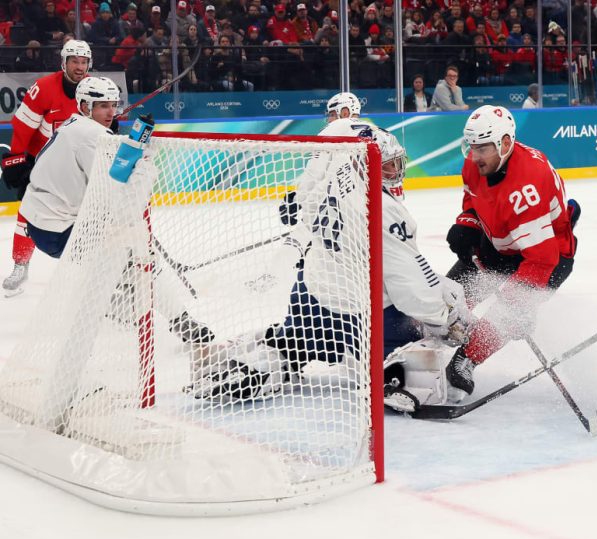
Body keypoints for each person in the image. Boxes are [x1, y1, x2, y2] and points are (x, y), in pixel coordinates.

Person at [189, 124, 471, 410]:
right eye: (387, 166)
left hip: (311, 298)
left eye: (395, 165)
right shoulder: (384, 210)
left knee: (300, 339)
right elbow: (409, 284)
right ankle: (393, 375)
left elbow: (311, 197)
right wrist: (444, 318)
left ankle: (267, 357)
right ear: (366, 166)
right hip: (362, 317)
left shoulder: (338, 166)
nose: (395, 172)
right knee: (432, 350)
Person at [19, 76, 214, 344]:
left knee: (125, 262)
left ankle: (124, 303)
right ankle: (177, 320)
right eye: (102, 106)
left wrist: (120, 143)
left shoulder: (74, 123)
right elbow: (117, 195)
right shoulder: (93, 136)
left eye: (113, 105)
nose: (111, 112)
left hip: (43, 222)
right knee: (141, 261)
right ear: (85, 106)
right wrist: (135, 149)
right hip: (60, 229)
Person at [442, 105, 579, 399]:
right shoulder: (475, 163)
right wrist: (467, 223)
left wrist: (517, 303)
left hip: (548, 255)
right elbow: (474, 200)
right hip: (500, 243)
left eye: (483, 149)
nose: (474, 156)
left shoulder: (527, 184)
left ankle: (468, 358)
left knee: (507, 313)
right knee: (446, 303)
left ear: (505, 143)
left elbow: (541, 260)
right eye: (471, 147)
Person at [1, 40, 91, 297]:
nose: (79, 66)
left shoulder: (92, 88)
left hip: (75, 166)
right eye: (74, 61)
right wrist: (16, 161)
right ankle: (20, 264)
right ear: (63, 63)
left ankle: (92, 273)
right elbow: (22, 129)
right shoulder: (43, 89)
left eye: (84, 61)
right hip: (41, 163)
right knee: (28, 211)